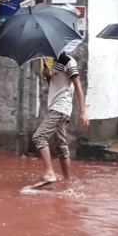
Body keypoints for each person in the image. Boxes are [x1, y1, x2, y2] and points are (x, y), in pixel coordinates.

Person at [30, 52, 89, 188]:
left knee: (39, 137)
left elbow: (77, 85)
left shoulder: (67, 61)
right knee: (61, 146)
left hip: (60, 108)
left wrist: (83, 111)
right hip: (57, 108)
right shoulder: (55, 62)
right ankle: (67, 183)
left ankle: (50, 172)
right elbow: (59, 85)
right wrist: (48, 77)